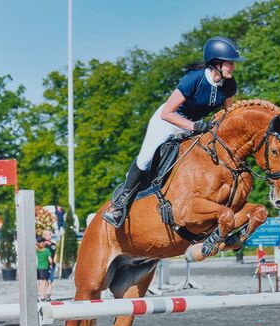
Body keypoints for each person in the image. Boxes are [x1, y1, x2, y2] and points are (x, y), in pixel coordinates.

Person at [103, 36, 244, 228]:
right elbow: (166, 112)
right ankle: (119, 205)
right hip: (169, 121)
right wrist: (194, 126)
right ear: (216, 63)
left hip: (197, 125)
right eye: (230, 64)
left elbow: (227, 115)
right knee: (145, 159)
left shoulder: (229, 85)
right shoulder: (194, 79)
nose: (233, 68)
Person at [36, 236, 53, 300]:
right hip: (44, 268)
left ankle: (36, 295)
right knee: (43, 282)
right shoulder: (47, 250)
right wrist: (51, 264)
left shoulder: (36, 250)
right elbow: (50, 260)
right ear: (43, 243)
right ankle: (42, 296)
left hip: (38, 267)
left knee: (38, 282)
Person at [43, 230, 57, 300]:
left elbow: (55, 255)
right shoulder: (42, 245)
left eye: (51, 234)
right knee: (44, 281)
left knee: (50, 281)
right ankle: (45, 295)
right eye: (49, 234)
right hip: (44, 265)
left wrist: (54, 262)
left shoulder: (53, 245)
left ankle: (48, 295)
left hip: (52, 265)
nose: (50, 235)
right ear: (45, 236)